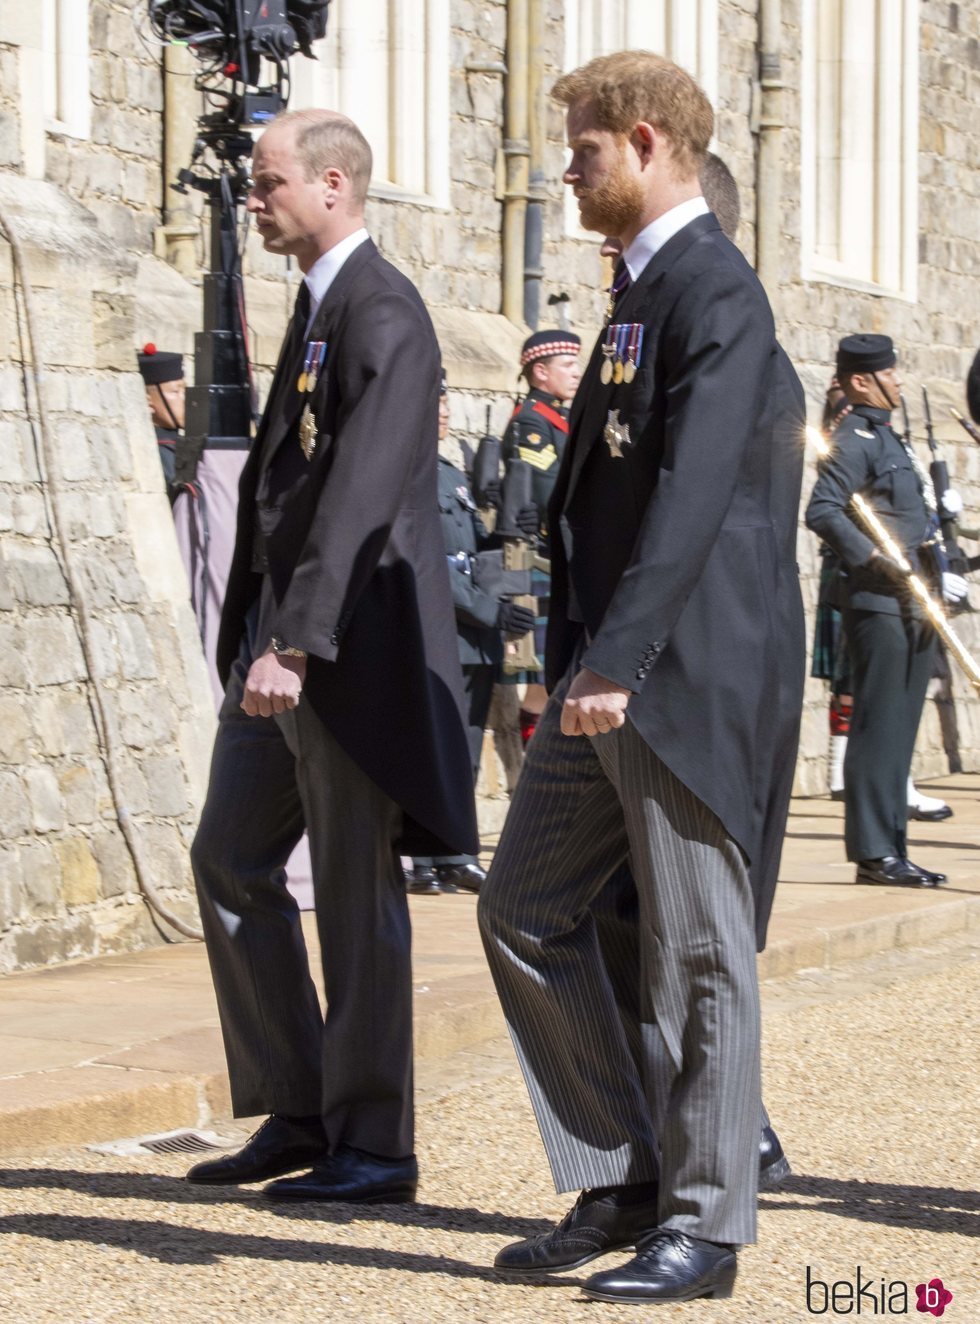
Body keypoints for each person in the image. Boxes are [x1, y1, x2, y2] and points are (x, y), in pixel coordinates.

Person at [478, 50, 805, 1305]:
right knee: (522, 906)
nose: (565, 167)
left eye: (583, 147)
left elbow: (694, 492)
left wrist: (615, 657)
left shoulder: (716, 293)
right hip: (603, 674)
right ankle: (621, 1166)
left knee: (698, 950)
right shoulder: (635, 293)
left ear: (646, 142)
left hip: (675, 675)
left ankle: (707, 1224)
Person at [183, 108, 477, 1204]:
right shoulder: (318, 306)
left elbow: (357, 495)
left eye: (266, 185)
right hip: (284, 650)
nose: (252, 201)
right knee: (230, 860)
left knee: (355, 902)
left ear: (334, 185)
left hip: (343, 658)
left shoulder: (381, 312)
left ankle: (375, 1144)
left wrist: (296, 642)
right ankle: (298, 1107)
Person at [806, 334, 964, 888]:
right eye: (889, 373)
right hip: (879, 598)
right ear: (860, 381)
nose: (898, 380)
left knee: (899, 727)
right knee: (877, 725)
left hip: (917, 597)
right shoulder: (854, 439)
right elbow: (822, 509)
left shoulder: (889, 438)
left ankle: (893, 846)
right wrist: (873, 558)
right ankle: (873, 851)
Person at [408, 372, 536, 895]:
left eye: (443, 398)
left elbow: (471, 545)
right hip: (438, 628)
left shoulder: (449, 471)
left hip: (474, 637)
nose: (441, 408)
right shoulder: (405, 471)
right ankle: (419, 857)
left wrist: (507, 526)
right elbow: (427, 563)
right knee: (428, 745)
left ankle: (456, 852)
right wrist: (490, 610)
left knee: (465, 745)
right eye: (431, 398)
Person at [500, 329, 582, 743]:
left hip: (556, 555)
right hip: (541, 556)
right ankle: (533, 767)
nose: (576, 373)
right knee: (541, 683)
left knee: (553, 679)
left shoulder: (560, 417)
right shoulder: (532, 420)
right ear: (540, 372)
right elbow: (546, 485)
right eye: (567, 365)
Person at [137, 344, 185, 504]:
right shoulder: (153, 453)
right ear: (148, 401)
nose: (185, 399)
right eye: (175, 392)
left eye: (185, 390)